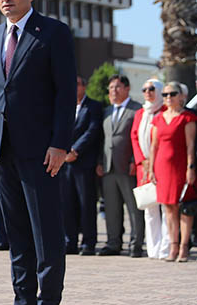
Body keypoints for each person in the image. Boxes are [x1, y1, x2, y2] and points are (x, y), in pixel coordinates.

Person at [0, 0, 76, 305]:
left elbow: (66, 94)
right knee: (16, 231)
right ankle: (23, 304)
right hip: (2, 152)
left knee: (46, 231)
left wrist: (60, 144)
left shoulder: (53, 33)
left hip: (42, 151)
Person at [148, 81, 197, 262]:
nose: (168, 98)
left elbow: (190, 146)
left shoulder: (188, 118)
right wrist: (152, 169)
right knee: (168, 208)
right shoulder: (158, 118)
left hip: (181, 167)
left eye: (172, 94)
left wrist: (190, 168)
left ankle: (184, 247)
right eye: (166, 94)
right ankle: (173, 247)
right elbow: (154, 146)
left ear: (181, 96)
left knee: (185, 207)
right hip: (162, 168)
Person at [97, 75, 143, 257]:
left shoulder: (136, 110)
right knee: (111, 208)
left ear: (127, 88)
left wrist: (134, 160)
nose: (113, 91)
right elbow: (102, 139)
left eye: (117, 87)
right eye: (110, 88)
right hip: (108, 167)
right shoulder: (106, 111)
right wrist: (99, 162)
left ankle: (136, 244)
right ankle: (113, 243)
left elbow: (139, 137)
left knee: (133, 208)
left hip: (127, 166)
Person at [61, 76, 103, 256]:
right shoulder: (64, 107)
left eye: (77, 84)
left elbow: (92, 130)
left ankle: (88, 242)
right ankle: (70, 241)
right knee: (67, 204)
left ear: (84, 86)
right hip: (65, 163)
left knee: (86, 204)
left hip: (84, 162)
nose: (74, 88)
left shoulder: (94, 106)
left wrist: (75, 150)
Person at [131, 78, 170, 259]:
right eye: (145, 89)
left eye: (152, 89)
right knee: (149, 207)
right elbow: (134, 137)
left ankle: (166, 248)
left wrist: (154, 162)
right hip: (144, 167)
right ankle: (153, 249)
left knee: (165, 206)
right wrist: (141, 160)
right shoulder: (140, 113)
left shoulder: (165, 111)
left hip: (161, 165)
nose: (148, 92)